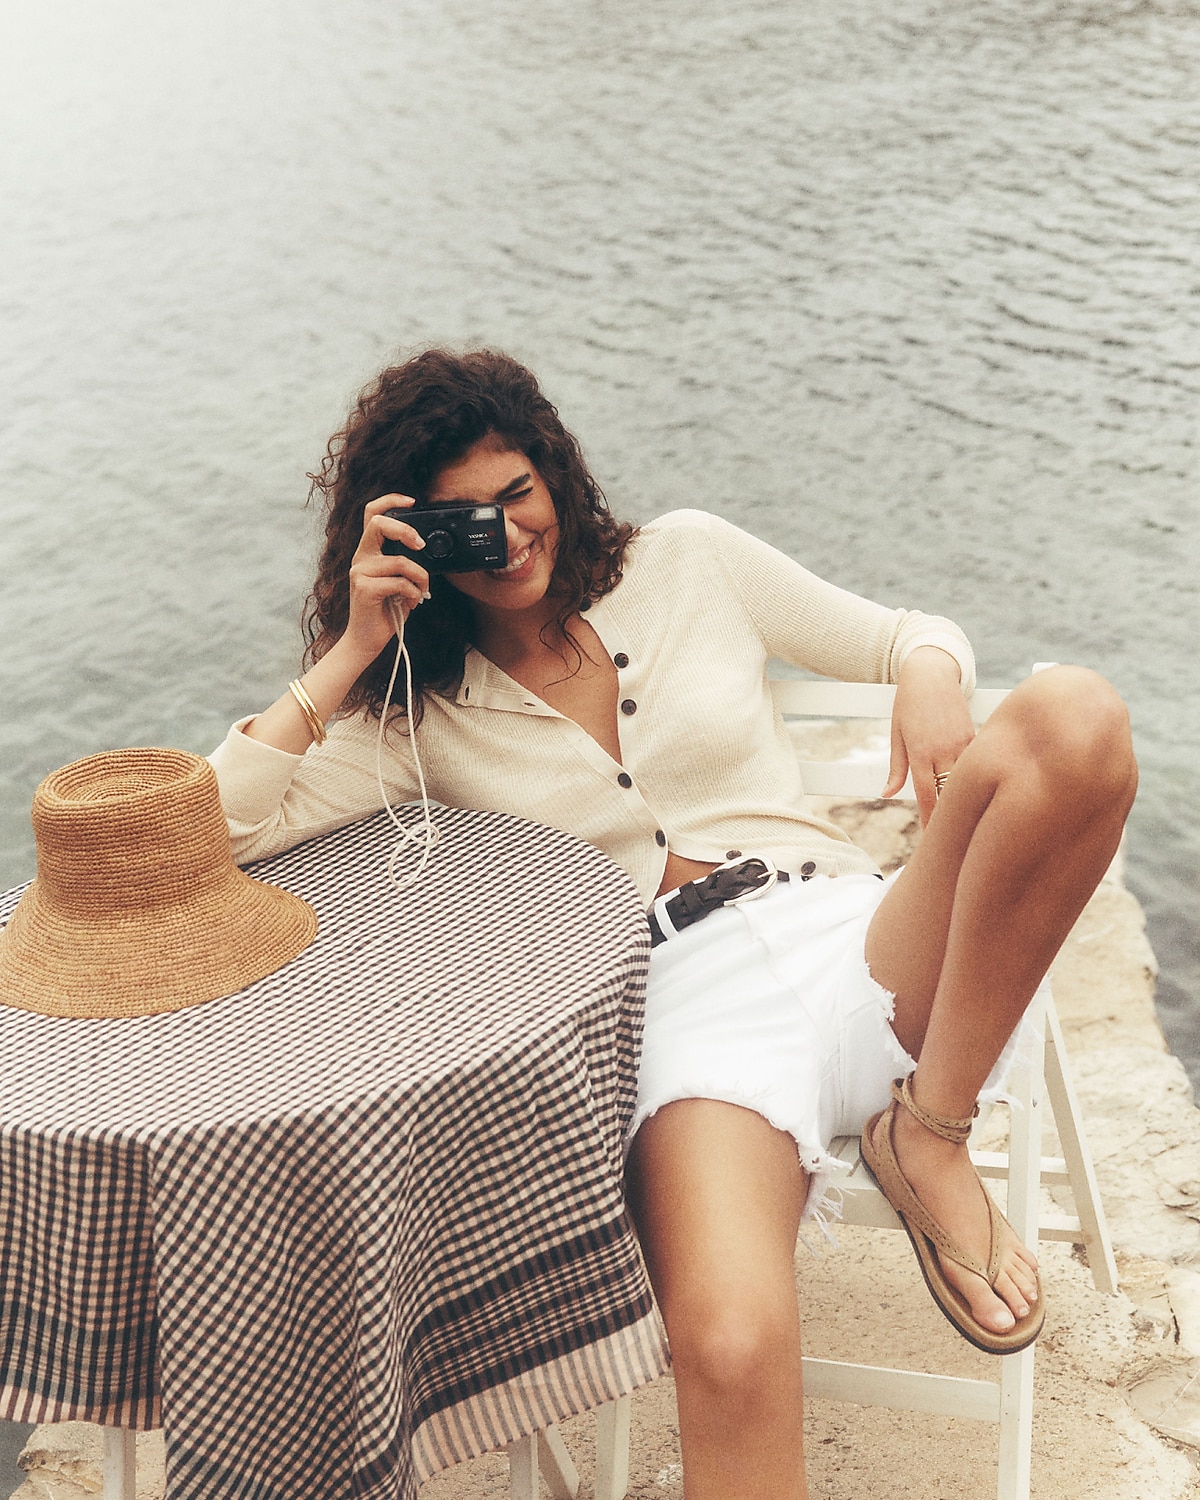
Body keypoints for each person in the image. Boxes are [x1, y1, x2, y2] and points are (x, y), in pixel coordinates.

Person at [209, 348, 1137, 1500]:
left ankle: (928, 1134)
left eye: (517, 495)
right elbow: (215, 832)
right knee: (729, 1346)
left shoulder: (688, 558)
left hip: (854, 934)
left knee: (1079, 718)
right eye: (462, 525)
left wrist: (933, 671)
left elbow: (906, 633)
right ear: (405, 542)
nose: (507, 536)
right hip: (682, 1013)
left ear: (554, 470)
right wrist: (355, 645)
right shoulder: (412, 708)